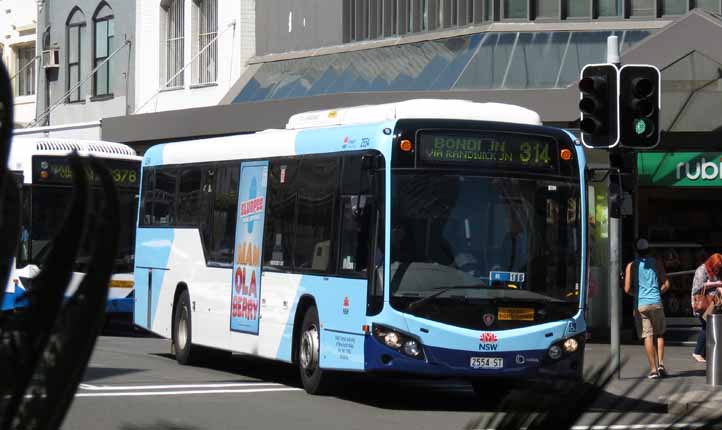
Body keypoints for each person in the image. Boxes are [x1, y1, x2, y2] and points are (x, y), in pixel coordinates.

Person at [624, 238, 670, 379]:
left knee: (648, 336)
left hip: (641, 305)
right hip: (656, 302)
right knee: (660, 333)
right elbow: (666, 284)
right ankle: (661, 364)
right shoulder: (656, 263)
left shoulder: (631, 266)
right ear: (649, 250)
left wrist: (638, 294)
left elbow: (626, 289)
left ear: (636, 251)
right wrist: (657, 292)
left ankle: (653, 370)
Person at [690, 253, 722, 363]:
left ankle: (703, 353)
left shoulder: (715, 271)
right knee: (707, 326)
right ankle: (697, 352)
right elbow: (697, 287)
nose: (717, 269)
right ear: (711, 263)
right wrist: (715, 284)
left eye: (719, 267)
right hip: (702, 303)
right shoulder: (702, 270)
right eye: (716, 266)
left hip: (712, 303)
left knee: (709, 326)